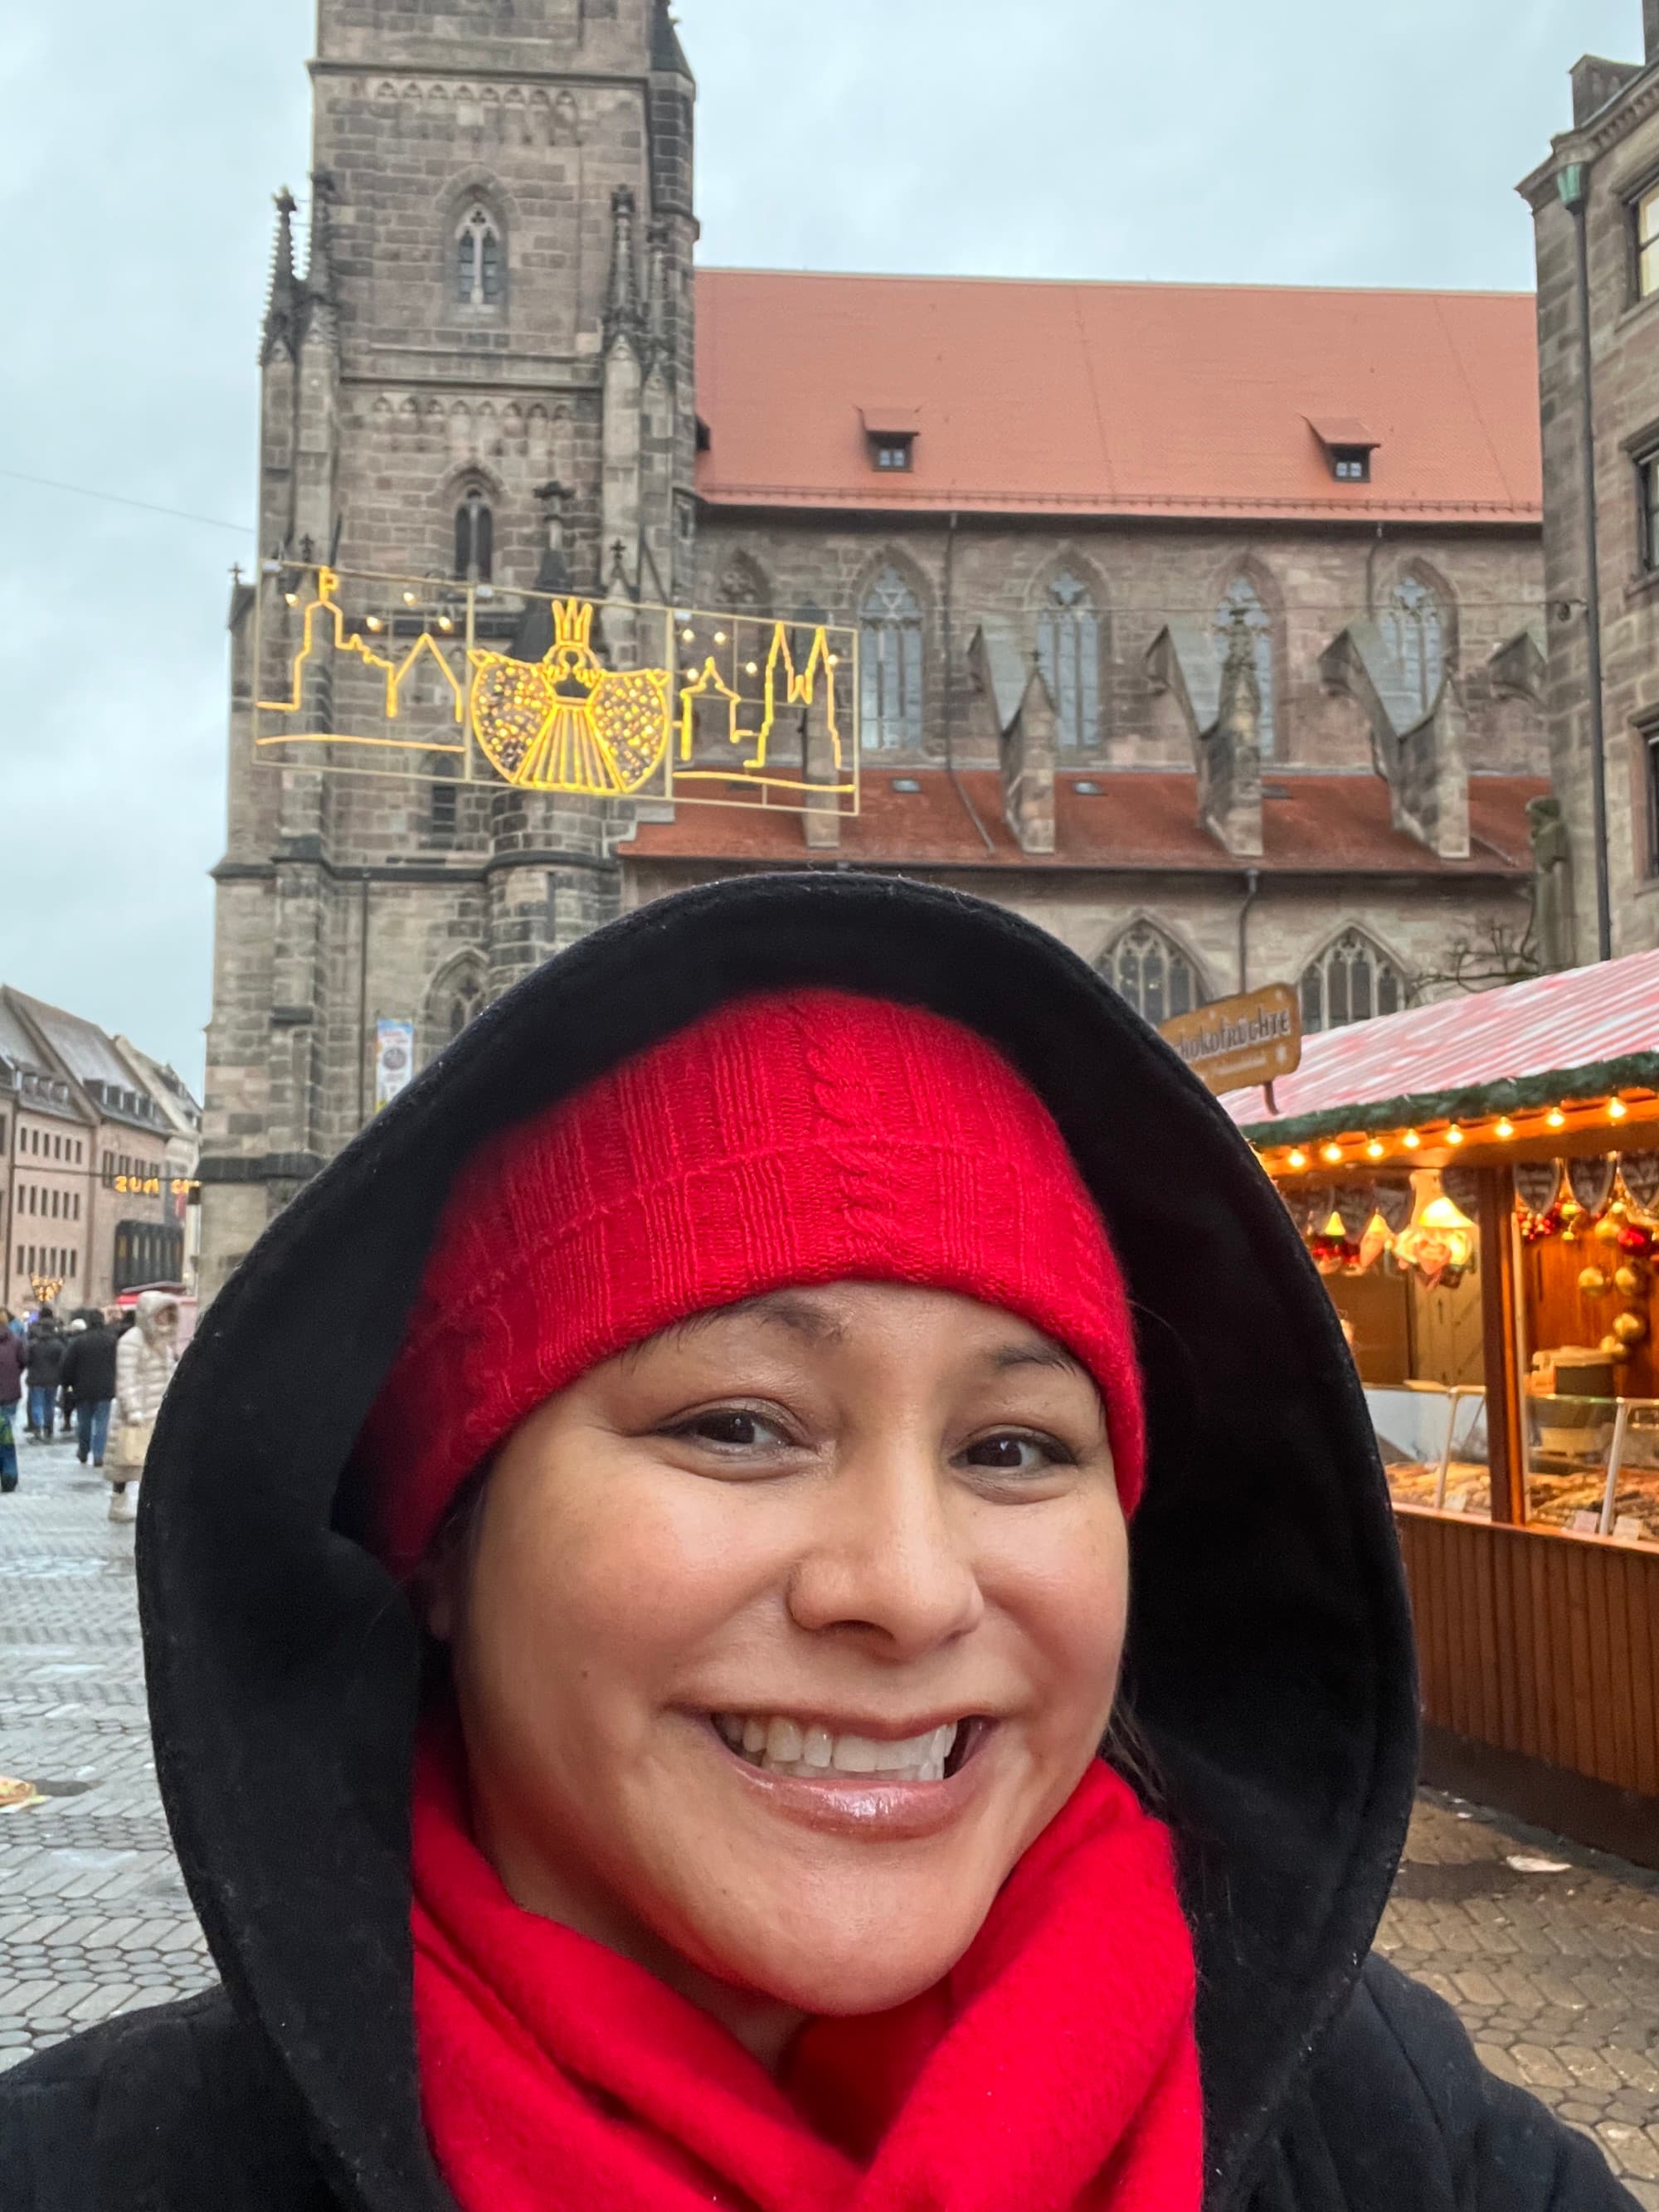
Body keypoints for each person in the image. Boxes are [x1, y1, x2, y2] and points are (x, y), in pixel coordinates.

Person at [0, 877, 1636, 2211]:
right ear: (437, 1536)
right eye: (735, 1423)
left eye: (1012, 1447)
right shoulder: (103, 2167)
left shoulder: (1394, 2134)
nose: (907, 1586)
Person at [106, 1291, 179, 1524]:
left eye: (169, 1314)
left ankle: (147, 1504)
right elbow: (126, 1379)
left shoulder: (164, 1343)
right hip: (137, 1413)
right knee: (126, 1461)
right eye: (161, 1314)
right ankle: (118, 1503)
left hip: (157, 1411)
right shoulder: (132, 1341)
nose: (165, 1319)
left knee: (150, 1463)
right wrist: (133, 1409)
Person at [59, 1310, 119, 1474]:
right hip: (105, 1388)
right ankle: (99, 1454)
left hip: (82, 1388)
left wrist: (66, 1383)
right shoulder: (111, 1341)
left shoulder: (79, 1342)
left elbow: (68, 1364)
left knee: (84, 1421)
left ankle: (84, 1450)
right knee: (102, 1422)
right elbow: (118, 1364)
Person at [23, 1310, 64, 1442]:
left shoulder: (33, 1344)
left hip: (36, 1379)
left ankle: (38, 1428)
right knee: (49, 1405)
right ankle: (48, 1428)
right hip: (52, 1379)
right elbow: (62, 1361)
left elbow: (27, 1360)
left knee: (37, 1405)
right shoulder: (58, 1345)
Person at [0, 1313, 23, 1481]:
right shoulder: (15, 1340)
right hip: (9, 1395)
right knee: (6, 1435)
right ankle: (9, 1474)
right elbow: (23, 1361)